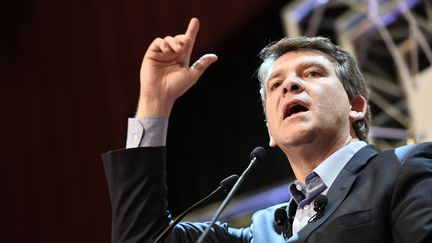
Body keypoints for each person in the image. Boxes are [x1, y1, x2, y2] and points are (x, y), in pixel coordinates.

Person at [102, 18, 432, 242]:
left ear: (355, 106)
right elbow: (143, 237)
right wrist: (153, 101)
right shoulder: (261, 231)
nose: (290, 84)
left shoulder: (404, 169)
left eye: (313, 73)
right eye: (275, 85)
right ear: (271, 132)